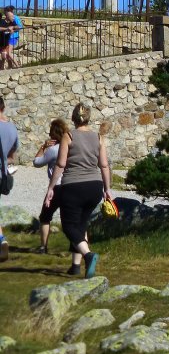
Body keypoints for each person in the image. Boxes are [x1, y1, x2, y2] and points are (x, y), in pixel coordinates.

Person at [43, 103, 113, 278]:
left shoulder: (69, 136)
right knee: (81, 226)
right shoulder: (98, 137)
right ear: (89, 118)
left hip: (73, 186)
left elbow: (60, 164)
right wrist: (108, 189)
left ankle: (89, 255)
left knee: (68, 226)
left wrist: (51, 188)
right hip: (95, 187)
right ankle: (75, 266)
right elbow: (104, 165)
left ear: (73, 118)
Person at [33, 118, 69, 254]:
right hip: (70, 185)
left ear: (54, 135)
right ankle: (79, 249)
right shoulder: (72, 147)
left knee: (45, 217)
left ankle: (43, 247)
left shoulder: (53, 150)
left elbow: (36, 162)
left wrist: (43, 147)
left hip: (56, 187)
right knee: (72, 219)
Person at [0, 96, 19, 263]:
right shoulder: (12, 128)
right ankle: (1, 240)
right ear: (3, 108)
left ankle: (1, 240)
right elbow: (12, 157)